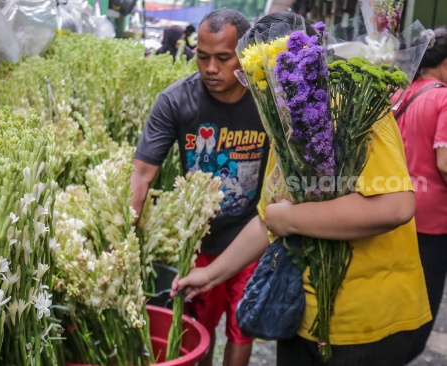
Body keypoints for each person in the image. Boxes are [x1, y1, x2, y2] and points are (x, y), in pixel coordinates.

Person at [171, 12, 432, 366]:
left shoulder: (355, 108)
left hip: (368, 327)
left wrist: (293, 218)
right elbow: (268, 218)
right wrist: (210, 275)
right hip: (302, 319)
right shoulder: (284, 120)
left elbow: (395, 207)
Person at [131, 9, 270, 366]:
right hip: (198, 242)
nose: (210, 68)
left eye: (223, 58)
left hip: (251, 237)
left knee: (242, 328)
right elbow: (142, 174)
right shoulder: (175, 101)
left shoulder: (269, 102)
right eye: (202, 57)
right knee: (198, 330)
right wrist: (125, 239)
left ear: (246, 53)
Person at [394, 27, 447, 363]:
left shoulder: (399, 94)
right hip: (432, 222)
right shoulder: (443, 97)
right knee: (422, 306)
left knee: (397, 301)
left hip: (396, 214)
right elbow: (445, 163)